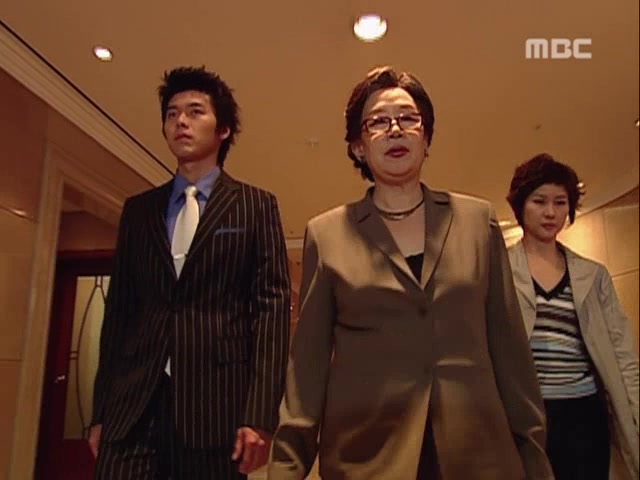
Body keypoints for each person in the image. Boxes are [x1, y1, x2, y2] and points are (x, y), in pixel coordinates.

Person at [268, 66, 553, 479]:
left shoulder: (477, 221)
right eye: (378, 122)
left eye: (408, 118)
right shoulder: (327, 234)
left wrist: (534, 460)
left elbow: (510, 353)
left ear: (426, 138)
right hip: (369, 458)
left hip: (480, 456)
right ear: (358, 147)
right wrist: (286, 467)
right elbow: (307, 373)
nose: (395, 129)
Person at [89, 66, 291, 479]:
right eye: (172, 113)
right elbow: (120, 313)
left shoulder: (256, 206)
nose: (180, 121)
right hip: (133, 407)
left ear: (223, 130)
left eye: (195, 111)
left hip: (215, 409)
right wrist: (100, 410)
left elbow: (270, 312)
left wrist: (260, 415)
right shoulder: (139, 210)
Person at [506, 153, 639, 480]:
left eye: (560, 202)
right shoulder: (500, 271)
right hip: (529, 417)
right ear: (521, 206)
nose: (551, 212)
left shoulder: (593, 275)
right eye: (539, 201)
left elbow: (622, 352)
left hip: (585, 412)